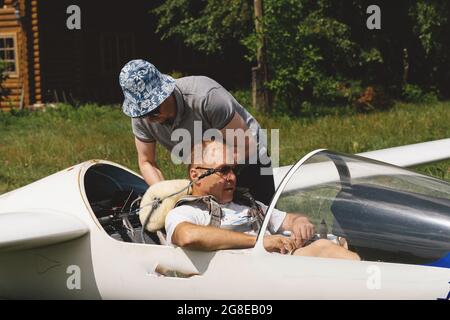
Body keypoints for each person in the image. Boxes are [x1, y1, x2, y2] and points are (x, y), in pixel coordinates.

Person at [165, 140, 360, 260]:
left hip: (280, 270)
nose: (232, 177)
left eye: (234, 169)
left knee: (338, 245)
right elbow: (187, 236)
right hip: (254, 278)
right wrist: (261, 242)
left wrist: (300, 223)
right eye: (223, 170)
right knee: (324, 250)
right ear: (195, 174)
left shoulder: (247, 204)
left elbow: (289, 219)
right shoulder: (186, 212)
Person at [119, 59, 275, 204]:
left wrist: (213, 175)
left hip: (249, 155)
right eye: (141, 112)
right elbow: (147, 162)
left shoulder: (207, 97)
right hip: (208, 170)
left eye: (153, 110)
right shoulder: (141, 118)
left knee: (260, 217)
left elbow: (246, 145)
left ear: (166, 93)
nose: (148, 118)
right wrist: (167, 195)